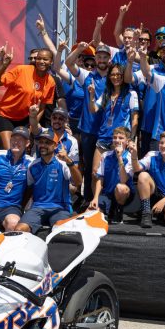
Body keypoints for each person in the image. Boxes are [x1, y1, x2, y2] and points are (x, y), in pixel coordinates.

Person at [64, 41, 112, 206]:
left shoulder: (114, 77)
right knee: (90, 167)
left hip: (108, 130)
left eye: (105, 56)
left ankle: (106, 200)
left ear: (109, 59)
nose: (101, 59)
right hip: (88, 129)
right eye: (99, 56)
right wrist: (79, 49)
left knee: (107, 168)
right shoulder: (87, 75)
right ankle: (88, 199)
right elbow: (68, 63)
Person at [0, 44, 56, 149]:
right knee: (10, 150)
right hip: (5, 116)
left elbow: (42, 107)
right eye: (39, 58)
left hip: (25, 120)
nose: (41, 61)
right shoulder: (22, 70)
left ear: (51, 62)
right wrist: (4, 65)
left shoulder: (51, 81)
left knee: (22, 152)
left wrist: (32, 125)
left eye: (45, 59)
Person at [16, 130, 82, 233]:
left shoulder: (63, 164)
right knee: (19, 230)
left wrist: (69, 161)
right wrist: (21, 208)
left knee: (62, 231)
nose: (43, 145)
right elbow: (29, 189)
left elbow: (78, 182)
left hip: (60, 208)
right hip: (37, 208)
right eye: (41, 142)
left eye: (47, 143)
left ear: (55, 146)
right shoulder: (32, 165)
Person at [88, 63, 139, 190]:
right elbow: (93, 109)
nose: (115, 77)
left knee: (118, 175)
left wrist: (131, 139)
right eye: (112, 74)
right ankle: (97, 203)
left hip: (119, 140)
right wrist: (92, 95)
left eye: (118, 74)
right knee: (95, 174)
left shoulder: (131, 94)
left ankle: (115, 206)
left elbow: (135, 119)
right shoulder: (107, 93)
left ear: (123, 76)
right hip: (103, 139)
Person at [126, 39, 165, 158]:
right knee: (148, 164)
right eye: (163, 51)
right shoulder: (150, 68)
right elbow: (129, 79)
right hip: (149, 125)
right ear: (159, 53)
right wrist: (129, 62)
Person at [130, 131, 165, 228]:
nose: (163, 145)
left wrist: (163, 202)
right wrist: (134, 154)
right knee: (143, 175)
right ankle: (146, 213)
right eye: (161, 143)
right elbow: (136, 169)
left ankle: (161, 214)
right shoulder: (151, 155)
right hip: (153, 194)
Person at [89, 127, 134, 224]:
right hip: (107, 194)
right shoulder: (105, 155)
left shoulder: (131, 157)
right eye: (115, 137)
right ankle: (107, 210)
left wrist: (120, 158)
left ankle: (118, 210)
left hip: (125, 194)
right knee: (91, 214)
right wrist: (96, 197)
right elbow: (100, 179)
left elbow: (123, 180)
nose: (117, 140)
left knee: (120, 187)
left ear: (127, 141)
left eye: (121, 138)